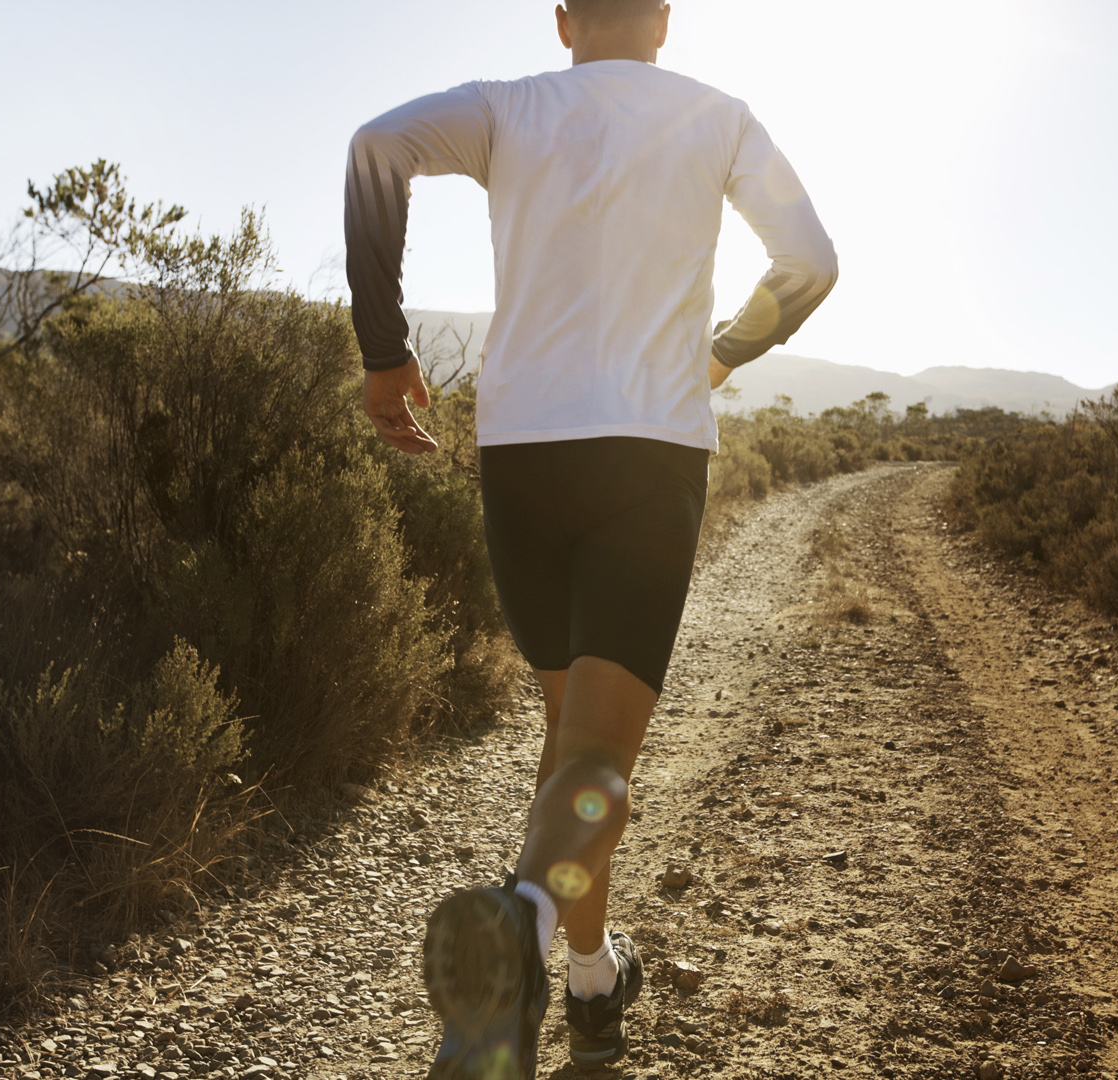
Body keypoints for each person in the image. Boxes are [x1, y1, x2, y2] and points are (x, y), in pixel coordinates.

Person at [344, 2, 836, 1076]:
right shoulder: (722, 118)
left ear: (564, 19)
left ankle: (594, 981)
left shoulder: (507, 109)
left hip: (521, 457)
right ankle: (520, 937)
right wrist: (716, 359)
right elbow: (808, 263)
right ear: (666, 19)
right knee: (599, 763)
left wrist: (385, 352)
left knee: (569, 755)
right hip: (649, 456)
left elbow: (374, 146)